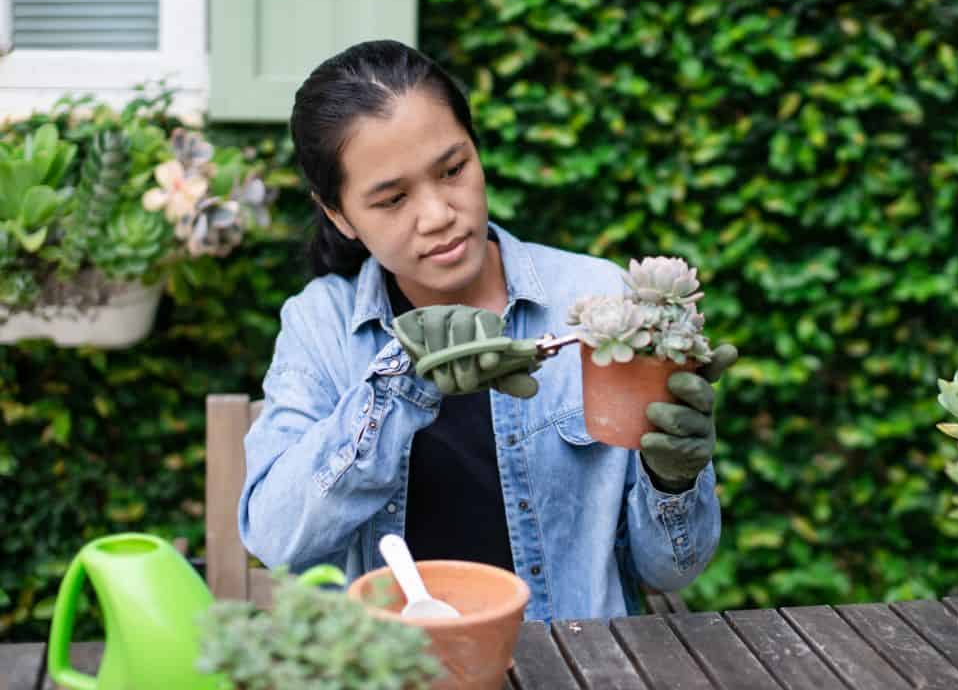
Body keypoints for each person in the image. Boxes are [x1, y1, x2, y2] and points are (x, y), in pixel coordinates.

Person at [238, 39, 736, 620]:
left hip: (580, 666)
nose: (438, 214)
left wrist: (673, 481)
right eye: (392, 199)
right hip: (395, 672)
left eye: (453, 170)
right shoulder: (320, 325)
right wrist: (401, 381)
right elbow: (274, 538)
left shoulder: (595, 302)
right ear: (339, 215)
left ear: (476, 151)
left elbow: (672, 570)